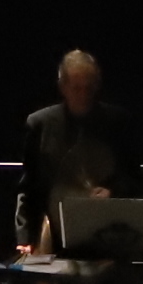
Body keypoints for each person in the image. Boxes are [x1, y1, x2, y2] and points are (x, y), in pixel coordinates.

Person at [16, 49, 132, 251]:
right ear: (63, 87)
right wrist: (25, 238)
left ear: (97, 86)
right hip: (53, 234)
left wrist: (113, 191)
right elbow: (29, 187)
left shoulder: (117, 123)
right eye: (77, 88)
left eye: (89, 88)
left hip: (106, 234)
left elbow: (132, 176)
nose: (83, 95)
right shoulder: (40, 124)